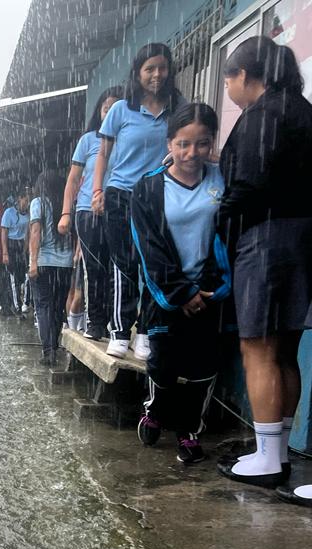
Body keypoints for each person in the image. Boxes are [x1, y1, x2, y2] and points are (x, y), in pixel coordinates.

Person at [212, 37, 312, 491]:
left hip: (266, 239)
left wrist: (220, 218)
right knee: (286, 349)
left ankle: (268, 457)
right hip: (303, 238)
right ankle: (279, 449)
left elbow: (249, 185)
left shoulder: (261, 117)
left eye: (228, 79)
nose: (229, 89)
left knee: (257, 347)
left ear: (244, 77)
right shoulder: (301, 111)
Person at [132, 102, 231, 464]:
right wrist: (180, 292)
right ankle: (155, 410)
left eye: (202, 144)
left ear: (211, 144)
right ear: (170, 143)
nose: (192, 153)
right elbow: (149, 248)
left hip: (210, 292)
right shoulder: (147, 189)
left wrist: (211, 288)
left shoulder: (222, 181)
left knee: (204, 367)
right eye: (183, 144)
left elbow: (228, 237)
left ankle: (190, 432)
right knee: (163, 363)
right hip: (165, 294)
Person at [93, 43, 184, 360]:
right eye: (150, 69)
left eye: (162, 67)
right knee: (124, 263)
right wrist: (97, 192)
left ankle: (145, 331)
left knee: (152, 264)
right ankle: (120, 330)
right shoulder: (121, 109)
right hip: (120, 194)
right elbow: (103, 154)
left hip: (158, 196)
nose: (157, 74)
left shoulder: (177, 107)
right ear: (138, 73)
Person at [60, 86, 123, 339]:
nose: (111, 112)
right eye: (107, 107)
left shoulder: (129, 138)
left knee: (119, 267)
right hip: (88, 211)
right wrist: (66, 213)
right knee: (95, 269)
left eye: (117, 108)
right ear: (99, 111)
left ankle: (115, 322)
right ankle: (96, 322)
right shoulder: (88, 140)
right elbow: (73, 180)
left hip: (120, 209)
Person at [28, 170, 75, 367]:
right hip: (65, 265)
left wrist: (33, 262)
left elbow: (36, 232)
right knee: (57, 308)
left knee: (43, 307)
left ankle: (48, 352)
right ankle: (53, 347)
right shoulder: (67, 206)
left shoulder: (38, 203)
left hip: (44, 263)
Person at [0, 190, 30, 316]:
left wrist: (26, 249)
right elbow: (4, 233)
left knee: (23, 277)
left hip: (23, 246)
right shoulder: (9, 212)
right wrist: (5, 253)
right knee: (13, 278)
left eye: (29, 201)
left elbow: (29, 233)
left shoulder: (29, 213)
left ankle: (22, 304)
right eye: (26, 200)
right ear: (19, 198)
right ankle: (15, 306)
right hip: (11, 246)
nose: (27, 203)